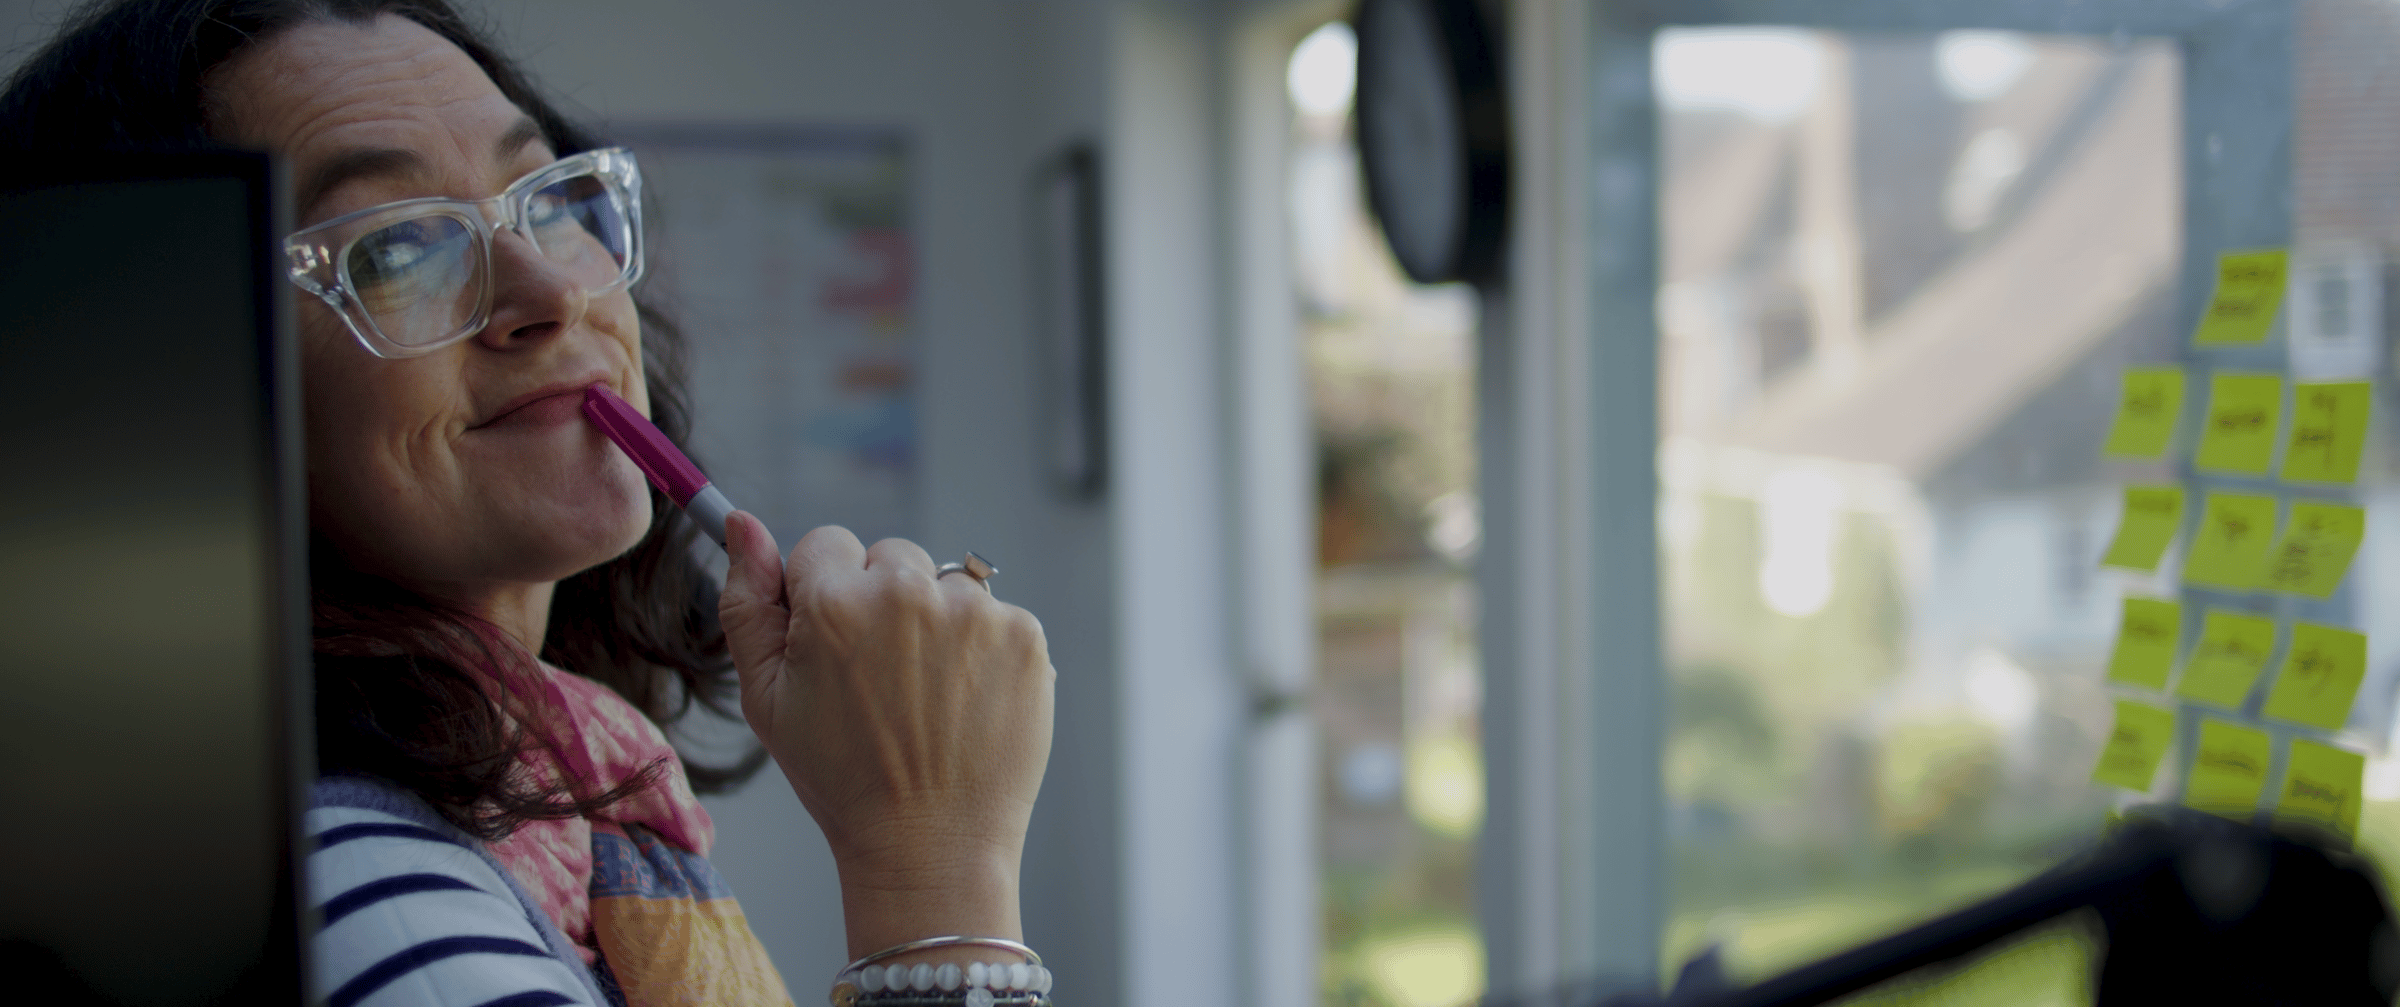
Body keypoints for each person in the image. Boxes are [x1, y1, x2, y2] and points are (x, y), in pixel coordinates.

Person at [0, 3, 1058, 1005]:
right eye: (402, 245)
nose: (555, 290)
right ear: (185, 377)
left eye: (547, 200)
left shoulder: (565, 811)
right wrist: (935, 872)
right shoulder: (368, 889)